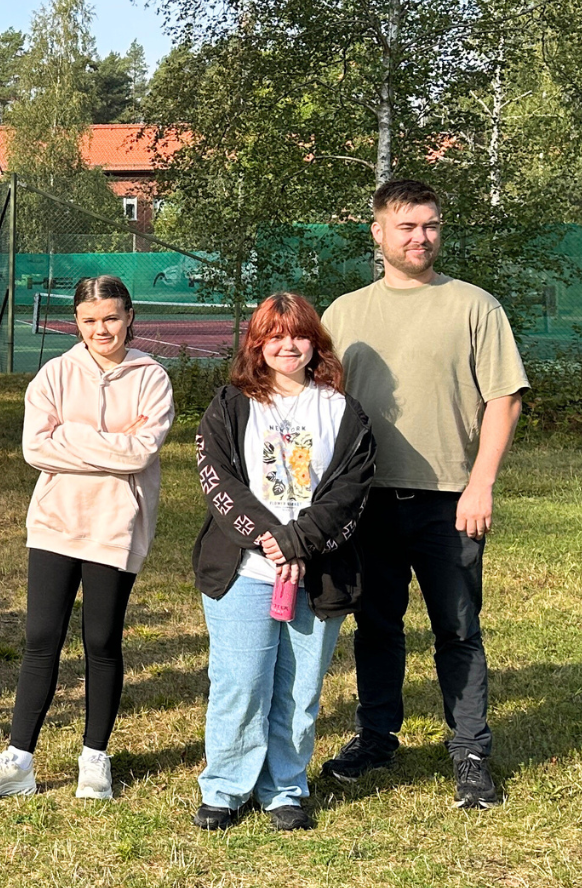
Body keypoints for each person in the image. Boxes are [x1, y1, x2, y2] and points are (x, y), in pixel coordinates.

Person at [319, 179, 527, 810]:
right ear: (377, 232)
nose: (420, 237)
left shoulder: (474, 307)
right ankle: (376, 738)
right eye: (406, 226)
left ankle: (469, 751)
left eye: (431, 225)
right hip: (366, 501)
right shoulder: (345, 313)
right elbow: (314, 405)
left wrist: (480, 485)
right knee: (376, 626)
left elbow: (504, 399)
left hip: (449, 499)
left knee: (457, 630)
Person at [0, 275, 174, 802]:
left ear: (130, 317)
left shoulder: (152, 377)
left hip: (116, 527)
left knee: (101, 641)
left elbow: (142, 452)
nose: (102, 329)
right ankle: (19, 759)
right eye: (89, 320)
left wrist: (71, 438)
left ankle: (94, 759)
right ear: (75, 323)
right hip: (56, 523)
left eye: (111, 318)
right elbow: (36, 448)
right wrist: (109, 443)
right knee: (39, 639)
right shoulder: (54, 374)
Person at [189, 293, 376, 832]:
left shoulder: (341, 410)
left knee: (299, 690)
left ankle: (285, 788)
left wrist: (299, 545)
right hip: (244, 572)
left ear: (314, 343)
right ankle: (225, 787)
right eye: (274, 336)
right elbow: (217, 479)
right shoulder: (230, 404)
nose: (286, 346)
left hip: (318, 574)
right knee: (241, 682)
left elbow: (351, 489)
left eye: (297, 335)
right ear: (257, 344)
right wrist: (272, 540)